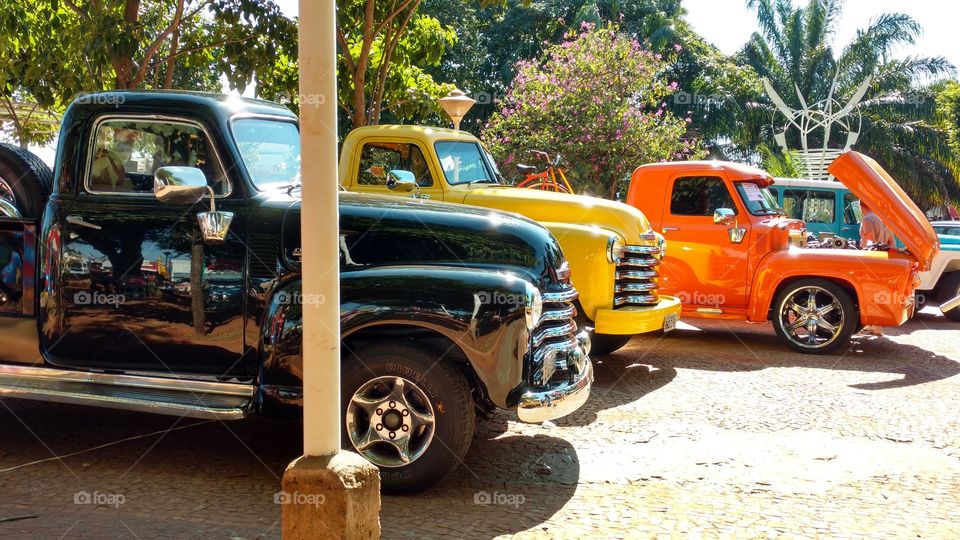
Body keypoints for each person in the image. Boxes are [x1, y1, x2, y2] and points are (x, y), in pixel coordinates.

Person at [859, 200, 895, 336]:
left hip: (870, 260)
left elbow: (870, 241)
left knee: (867, 292)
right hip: (883, 260)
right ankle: (877, 326)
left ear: (861, 206)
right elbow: (892, 243)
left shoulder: (868, 219)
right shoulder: (884, 220)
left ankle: (871, 325)